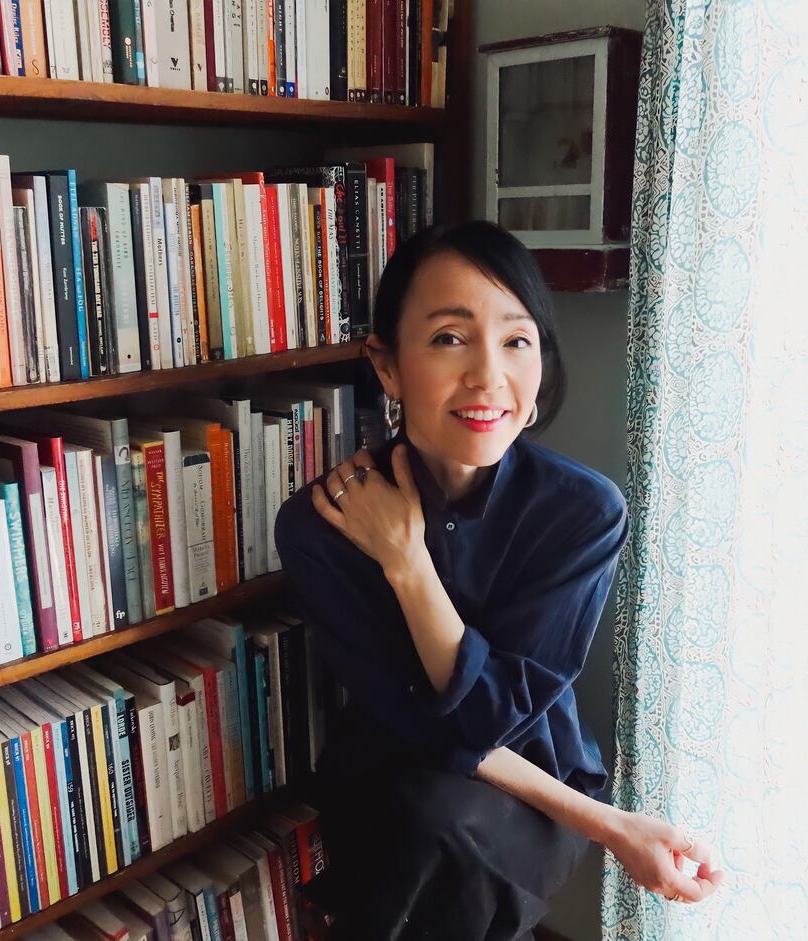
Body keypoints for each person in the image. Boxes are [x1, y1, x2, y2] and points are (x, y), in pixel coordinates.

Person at [273, 220, 723, 940]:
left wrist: (408, 562)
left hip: (537, 796)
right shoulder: (319, 524)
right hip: (391, 783)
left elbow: (487, 719)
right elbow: (419, 727)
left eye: (517, 340)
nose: (488, 375)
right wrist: (616, 829)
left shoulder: (582, 513)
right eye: (450, 338)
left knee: (439, 832)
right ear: (386, 367)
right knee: (424, 822)